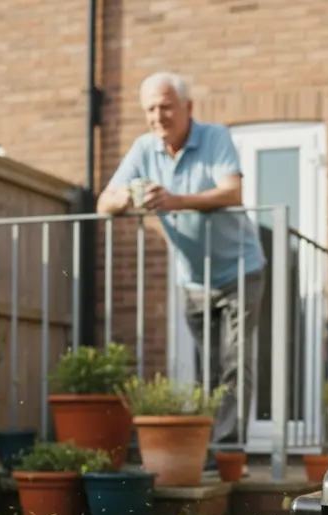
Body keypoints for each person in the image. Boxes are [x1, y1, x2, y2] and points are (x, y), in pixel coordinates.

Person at [98, 71, 267, 461]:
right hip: (193, 278)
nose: (159, 115)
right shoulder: (144, 149)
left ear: (188, 108)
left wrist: (176, 200)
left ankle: (226, 450)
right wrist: (129, 196)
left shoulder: (215, 137)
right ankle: (206, 447)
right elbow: (103, 203)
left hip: (241, 267)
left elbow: (232, 191)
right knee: (208, 366)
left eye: (166, 106)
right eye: (151, 108)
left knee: (235, 360)